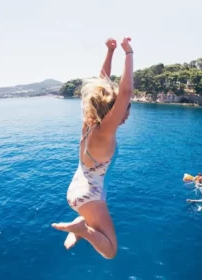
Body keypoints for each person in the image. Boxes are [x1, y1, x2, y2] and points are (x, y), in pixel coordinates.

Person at [51, 37, 134, 259]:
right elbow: (125, 94)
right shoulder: (105, 132)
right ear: (117, 110)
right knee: (110, 251)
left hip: (79, 188)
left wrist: (109, 52)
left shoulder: (89, 124)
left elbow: (101, 84)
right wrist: (128, 53)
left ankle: (82, 226)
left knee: (98, 227)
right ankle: (83, 230)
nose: (126, 116)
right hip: (89, 195)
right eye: (126, 111)